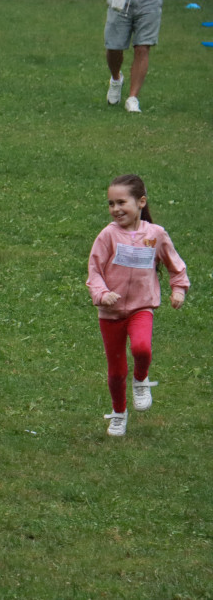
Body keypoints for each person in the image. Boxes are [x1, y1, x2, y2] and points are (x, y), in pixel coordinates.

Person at [87, 175, 188, 436]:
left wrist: (178, 290)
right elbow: (94, 271)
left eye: (122, 202)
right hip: (110, 313)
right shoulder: (108, 235)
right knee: (117, 371)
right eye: (111, 203)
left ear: (141, 202)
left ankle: (141, 379)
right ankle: (119, 413)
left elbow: (175, 265)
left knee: (142, 348)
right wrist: (102, 294)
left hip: (141, 307)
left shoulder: (155, 234)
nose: (115, 209)